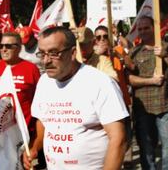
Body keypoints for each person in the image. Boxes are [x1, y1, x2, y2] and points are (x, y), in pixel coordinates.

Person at [24, 26, 128, 170]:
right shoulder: (44, 82)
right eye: (42, 54)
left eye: (54, 53)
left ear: (73, 53)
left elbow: (118, 139)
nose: (46, 61)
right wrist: (35, 147)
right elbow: (43, 121)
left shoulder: (100, 83)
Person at [129, 16, 168, 170]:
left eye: (146, 28)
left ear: (154, 28)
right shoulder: (134, 52)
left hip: (166, 107)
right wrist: (150, 81)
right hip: (143, 108)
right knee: (147, 150)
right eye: (140, 29)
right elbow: (130, 79)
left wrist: (165, 56)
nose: (143, 31)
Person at [0, 32, 40, 134]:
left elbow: (39, 103)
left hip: (23, 131)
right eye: (1, 46)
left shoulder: (31, 69)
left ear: (19, 48)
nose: (4, 49)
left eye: (8, 46)